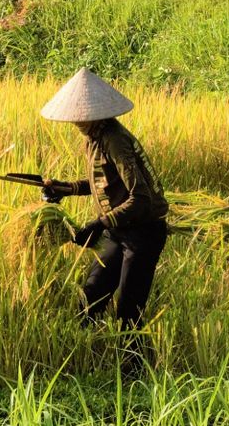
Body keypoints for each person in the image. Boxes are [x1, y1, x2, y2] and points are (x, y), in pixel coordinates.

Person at [40, 68, 169, 367]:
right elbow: (103, 184)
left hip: (143, 233)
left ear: (94, 114)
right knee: (92, 295)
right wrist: (66, 188)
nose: (74, 121)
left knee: (127, 309)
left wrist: (99, 224)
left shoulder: (115, 140)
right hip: (120, 230)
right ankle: (79, 359)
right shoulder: (93, 138)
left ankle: (135, 372)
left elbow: (140, 198)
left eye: (79, 115)